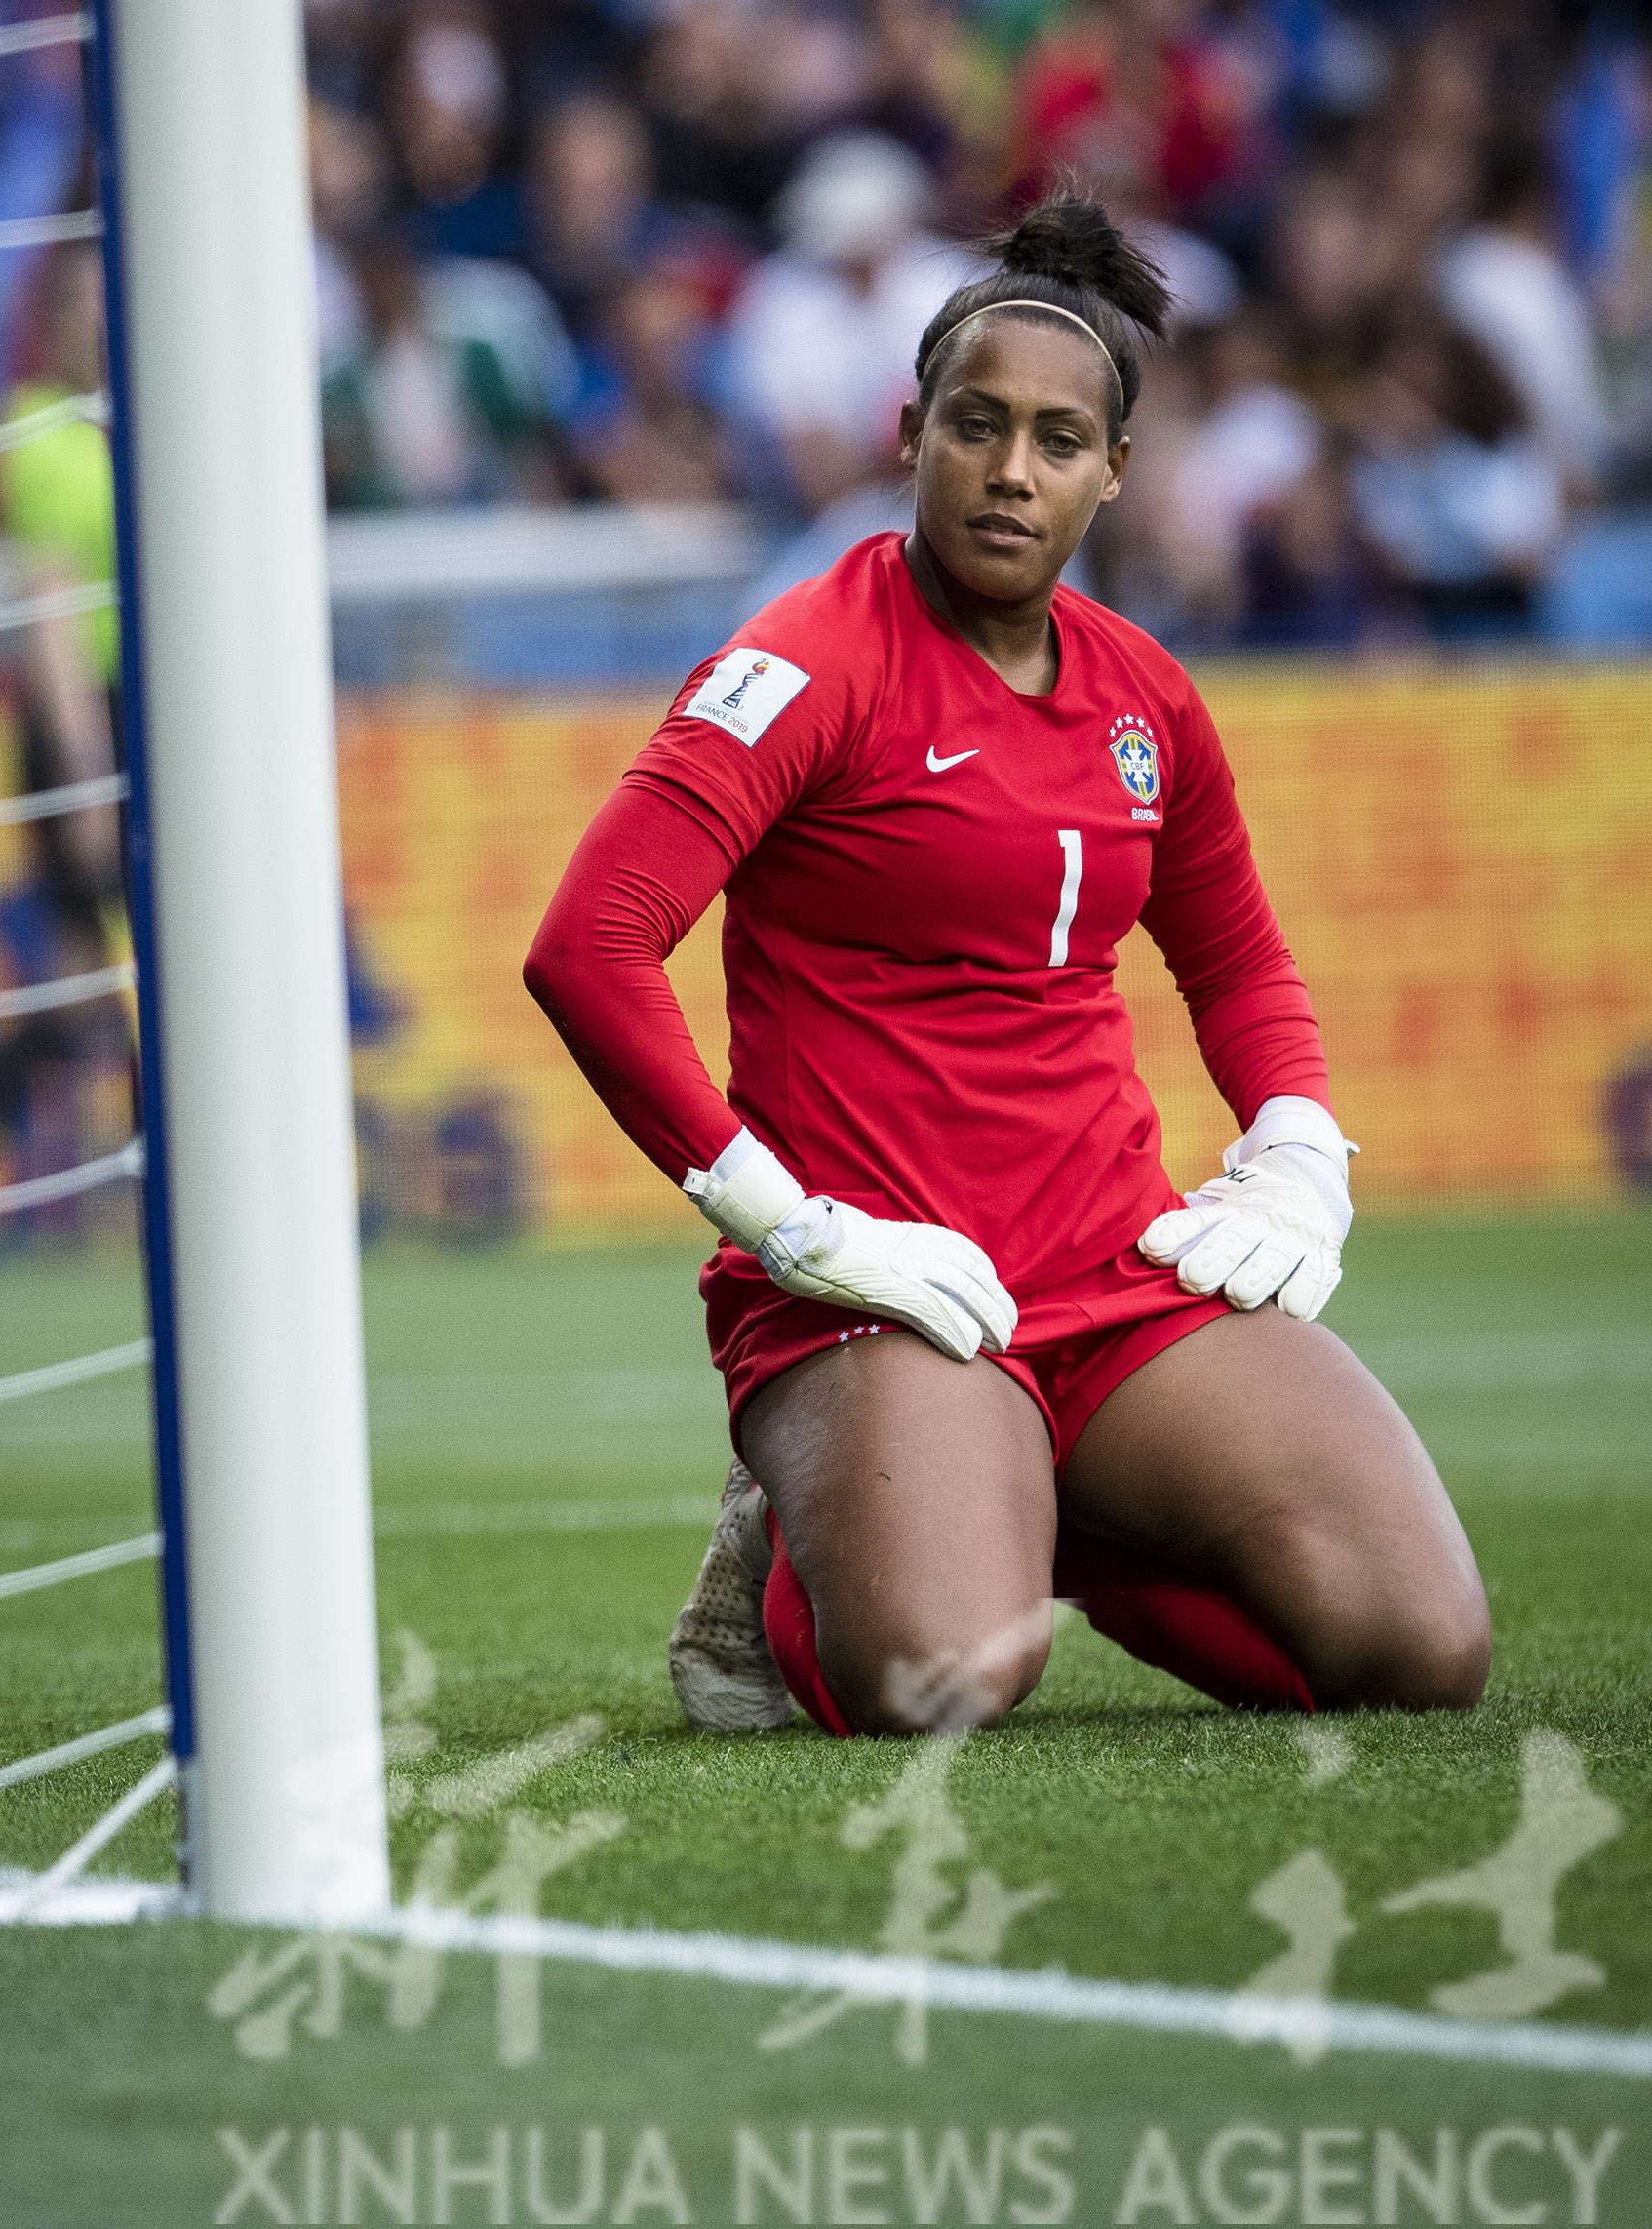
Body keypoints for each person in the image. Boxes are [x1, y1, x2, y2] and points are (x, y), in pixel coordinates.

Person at [523, 189, 1490, 1738]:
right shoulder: (808, 660)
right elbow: (590, 947)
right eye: (976, 426)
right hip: (880, 1284)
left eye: (1056, 441)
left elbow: (1237, 965)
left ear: (1115, 472)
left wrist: (1300, 1143)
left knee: (1419, 1646)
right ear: (910, 431)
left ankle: (1046, 1504)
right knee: (945, 1678)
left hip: (1114, 1271)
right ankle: (787, 1559)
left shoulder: (1148, 698)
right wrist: (785, 1223)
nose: (1010, 471)